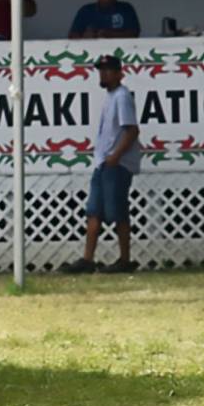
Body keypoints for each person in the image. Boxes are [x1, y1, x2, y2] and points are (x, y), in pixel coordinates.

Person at [60, 54, 141, 274]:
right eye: (101, 70)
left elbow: (132, 129)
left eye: (108, 70)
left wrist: (116, 155)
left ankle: (125, 259)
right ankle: (88, 259)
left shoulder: (122, 96)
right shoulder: (112, 96)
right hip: (104, 162)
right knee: (94, 211)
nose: (103, 74)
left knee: (118, 211)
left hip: (117, 163)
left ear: (119, 73)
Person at [68, 0, 141, 40]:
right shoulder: (85, 10)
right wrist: (84, 37)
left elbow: (134, 33)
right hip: (93, 52)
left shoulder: (126, 8)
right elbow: (71, 36)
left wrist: (109, 34)